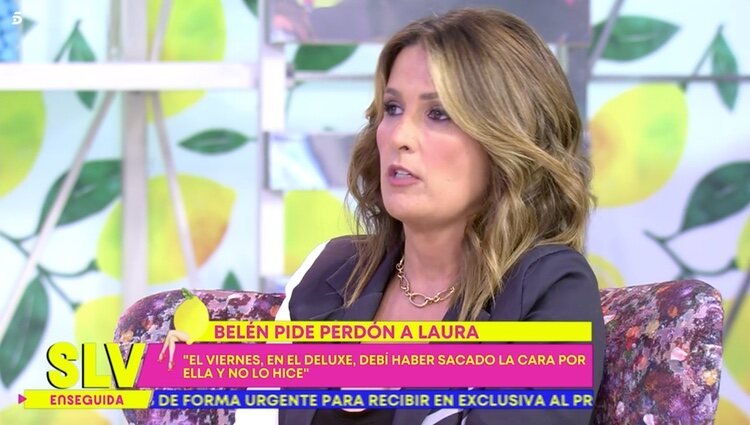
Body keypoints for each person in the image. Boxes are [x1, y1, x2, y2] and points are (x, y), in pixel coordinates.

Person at [275, 8, 605, 425]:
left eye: (439, 114)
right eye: (392, 108)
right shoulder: (330, 269)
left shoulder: (552, 287)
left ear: (509, 138)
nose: (399, 136)